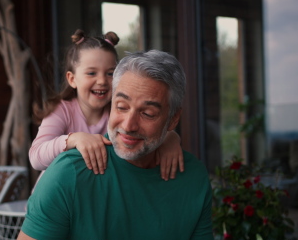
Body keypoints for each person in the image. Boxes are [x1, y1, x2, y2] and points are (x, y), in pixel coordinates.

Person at [1, 50, 224, 240]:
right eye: (121, 106)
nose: (128, 125)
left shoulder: (191, 177)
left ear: (172, 119)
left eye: (147, 113)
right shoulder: (69, 173)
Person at [29, 29, 183, 181]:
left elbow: (149, 131)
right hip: (59, 193)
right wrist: (74, 140)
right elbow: (36, 157)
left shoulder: (119, 112)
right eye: (91, 73)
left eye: (110, 73)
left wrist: (171, 139)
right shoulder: (62, 110)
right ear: (72, 79)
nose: (102, 81)